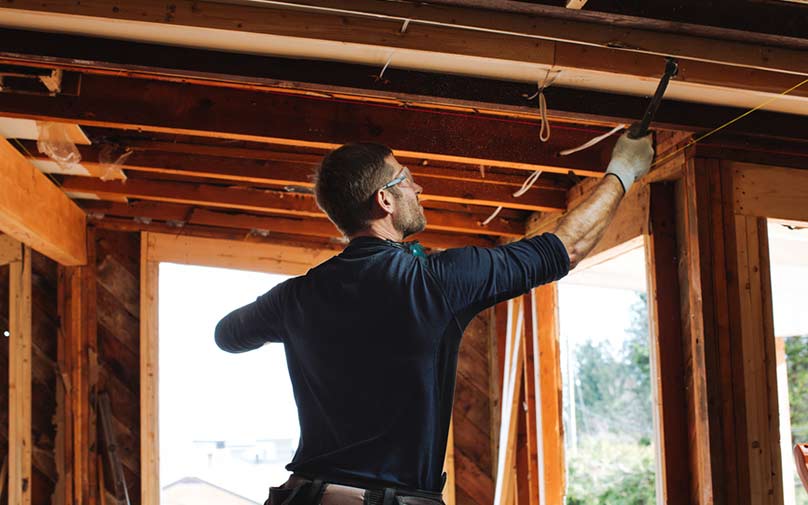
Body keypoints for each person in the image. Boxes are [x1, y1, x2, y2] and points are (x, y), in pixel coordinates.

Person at [215, 133, 654, 505]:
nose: (419, 187)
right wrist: (623, 170)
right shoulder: (436, 281)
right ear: (384, 199)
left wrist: (298, 319)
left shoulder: (297, 297)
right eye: (407, 178)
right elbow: (567, 247)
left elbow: (227, 335)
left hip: (305, 496)